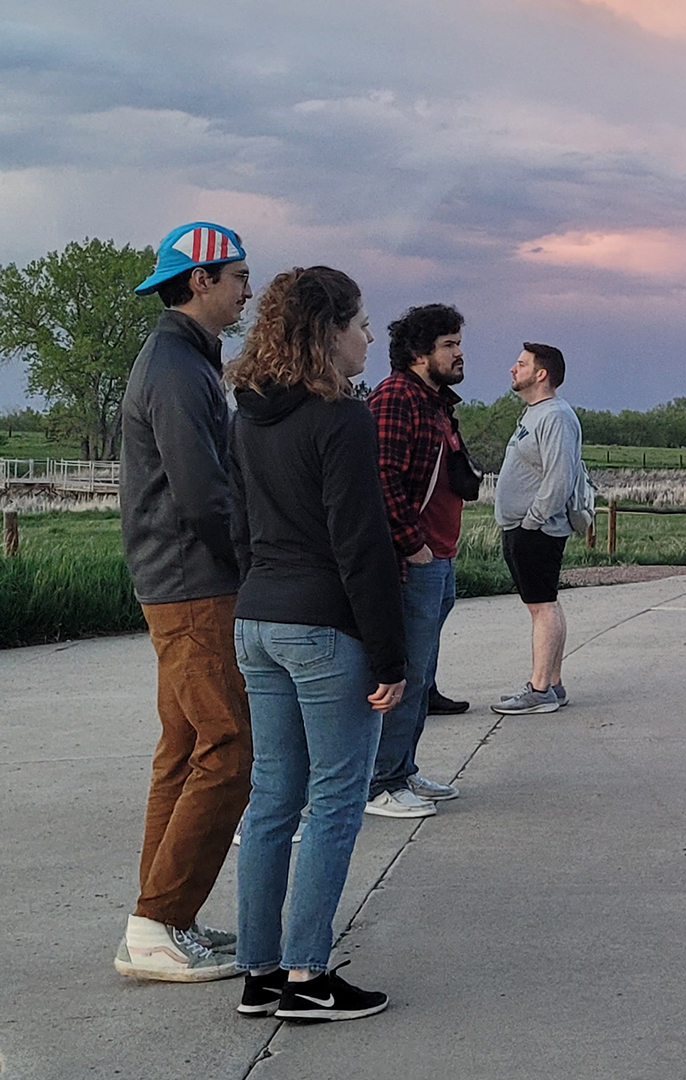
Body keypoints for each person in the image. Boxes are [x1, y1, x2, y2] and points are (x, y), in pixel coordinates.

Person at [227, 265, 407, 1020]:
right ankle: (307, 977)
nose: (368, 336)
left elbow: (238, 524)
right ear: (328, 333)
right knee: (335, 799)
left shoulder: (247, 414)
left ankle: (260, 973)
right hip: (324, 626)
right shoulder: (341, 417)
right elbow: (361, 544)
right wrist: (391, 655)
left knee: (272, 797)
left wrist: (261, 589)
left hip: (258, 619)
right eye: (360, 323)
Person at [114, 221, 254, 982]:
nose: (247, 292)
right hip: (194, 584)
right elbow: (202, 494)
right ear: (201, 280)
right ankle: (157, 924)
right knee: (229, 748)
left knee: (185, 749)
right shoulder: (174, 365)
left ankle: (166, 919)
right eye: (239, 277)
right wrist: (250, 565)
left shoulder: (185, 358)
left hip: (182, 582)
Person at [365, 303, 472, 818]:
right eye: (449, 345)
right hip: (414, 562)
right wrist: (413, 544)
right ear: (417, 353)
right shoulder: (397, 397)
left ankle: (402, 769)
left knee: (422, 673)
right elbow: (381, 475)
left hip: (438, 557)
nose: (459, 353)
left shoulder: (435, 404)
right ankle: (381, 782)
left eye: (458, 343)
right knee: (405, 673)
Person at [491, 342, 585, 715]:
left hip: (537, 530)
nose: (513, 369)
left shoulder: (556, 416)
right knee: (544, 604)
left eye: (521, 364)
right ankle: (553, 685)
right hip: (524, 527)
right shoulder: (536, 413)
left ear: (541, 373)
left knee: (542, 606)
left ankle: (540, 689)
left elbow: (560, 478)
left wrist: (533, 520)